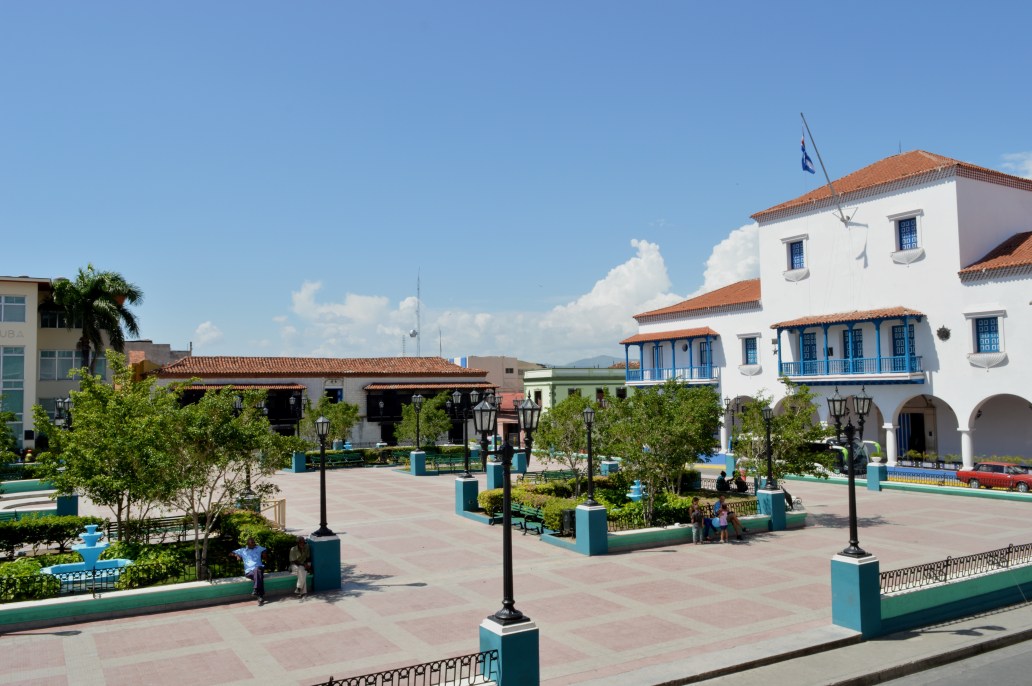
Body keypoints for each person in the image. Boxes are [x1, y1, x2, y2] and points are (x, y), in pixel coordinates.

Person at [232, 537, 268, 605]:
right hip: (249, 572)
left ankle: (256, 590)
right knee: (258, 576)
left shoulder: (258, 548)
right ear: (248, 544)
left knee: (257, 570)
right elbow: (231, 553)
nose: (254, 544)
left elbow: (265, 549)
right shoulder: (242, 550)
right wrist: (236, 555)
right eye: (252, 543)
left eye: (254, 542)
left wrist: (264, 553)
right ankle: (259, 595)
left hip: (259, 568)